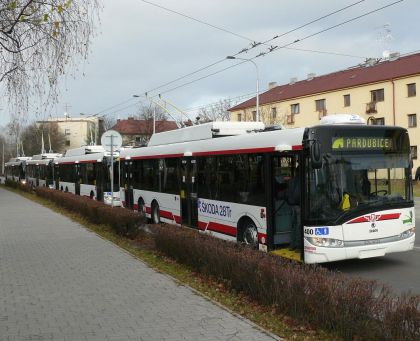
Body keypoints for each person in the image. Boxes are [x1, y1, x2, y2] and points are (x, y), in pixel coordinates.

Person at [287, 165, 302, 250]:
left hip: (292, 206)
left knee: (293, 225)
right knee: (299, 226)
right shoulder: (301, 180)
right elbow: (298, 195)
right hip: (299, 206)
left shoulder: (291, 181)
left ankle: (292, 245)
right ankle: (298, 246)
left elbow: (288, 193)